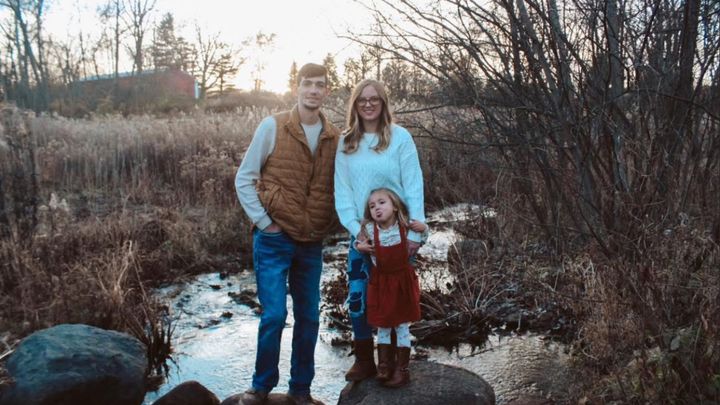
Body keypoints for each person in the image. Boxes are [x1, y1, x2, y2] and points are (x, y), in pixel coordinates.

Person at [235, 63, 339, 405]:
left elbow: (344, 185)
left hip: (311, 242)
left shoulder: (334, 137)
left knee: (309, 317)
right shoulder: (274, 126)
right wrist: (265, 223)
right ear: (297, 87)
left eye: (320, 85)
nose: (313, 90)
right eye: (308, 84)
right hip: (274, 240)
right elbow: (244, 178)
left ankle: (300, 390)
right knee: (275, 315)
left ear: (327, 91)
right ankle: (261, 385)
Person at [334, 79, 426, 382]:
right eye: (362, 99)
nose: (368, 104)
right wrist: (357, 232)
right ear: (355, 105)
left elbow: (413, 185)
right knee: (358, 300)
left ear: (384, 103)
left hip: (396, 238)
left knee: (396, 304)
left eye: (375, 99)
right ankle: (365, 360)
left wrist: (415, 234)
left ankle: (398, 366)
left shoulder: (400, 138)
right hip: (363, 239)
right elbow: (343, 194)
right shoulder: (346, 143)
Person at [357, 188, 427, 387]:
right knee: (383, 324)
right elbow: (358, 242)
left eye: (382, 203)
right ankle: (384, 365)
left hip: (402, 282)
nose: (377, 208)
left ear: (395, 207)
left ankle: (402, 369)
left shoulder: (404, 227)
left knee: (402, 325)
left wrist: (424, 227)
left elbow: (423, 237)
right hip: (381, 283)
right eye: (372, 206)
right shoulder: (370, 229)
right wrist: (360, 247)